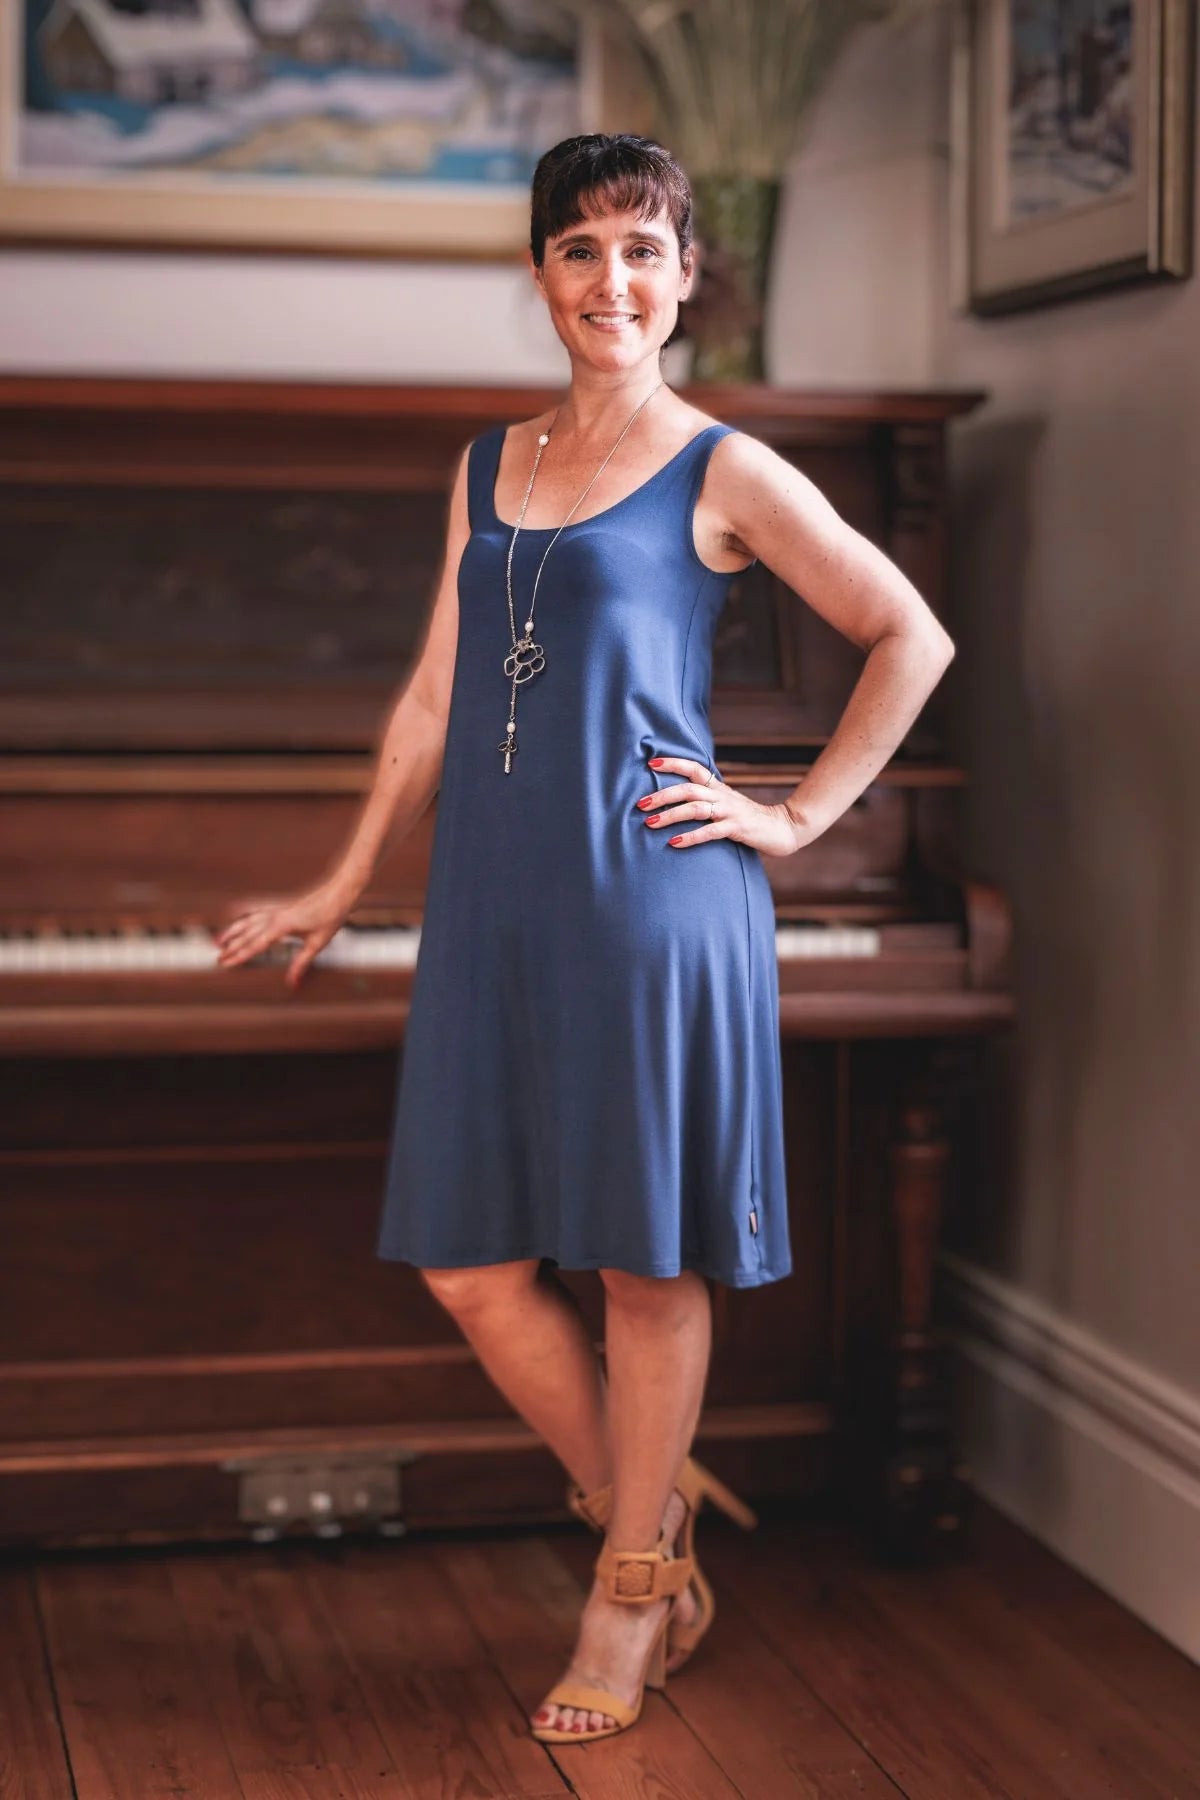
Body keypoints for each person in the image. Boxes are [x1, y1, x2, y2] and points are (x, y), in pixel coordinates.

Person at [214, 133, 954, 1744]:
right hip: (490, 902)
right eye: (579, 248)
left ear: (684, 278)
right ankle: (654, 1516)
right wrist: (343, 883)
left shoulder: (726, 468)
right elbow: (434, 696)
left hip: (648, 902)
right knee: (474, 1267)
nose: (609, 279)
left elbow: (912, 633)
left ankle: (628, 1595)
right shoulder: (489, 463)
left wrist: (794, 818)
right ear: (541, 272)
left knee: (638, 1259)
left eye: (642, 249)